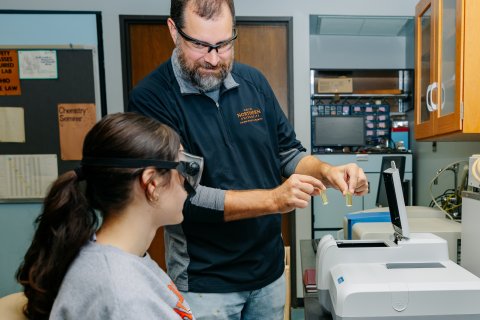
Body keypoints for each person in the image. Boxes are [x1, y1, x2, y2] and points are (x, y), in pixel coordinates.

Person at [128, 0, 369, 318]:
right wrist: (273, 200)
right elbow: (181, 196)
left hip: (268, 274)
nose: (213, 59)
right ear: (174, 31)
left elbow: (289, 153)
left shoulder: (253, 82)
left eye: (224, 44)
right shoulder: (152, 99)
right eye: (200, 45)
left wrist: (328, 171)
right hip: (205, 283)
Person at [16, 112, 201, 320]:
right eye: (182, 170)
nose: (186, 184)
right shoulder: (121, 296)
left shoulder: (119, 258)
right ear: (152, 184)